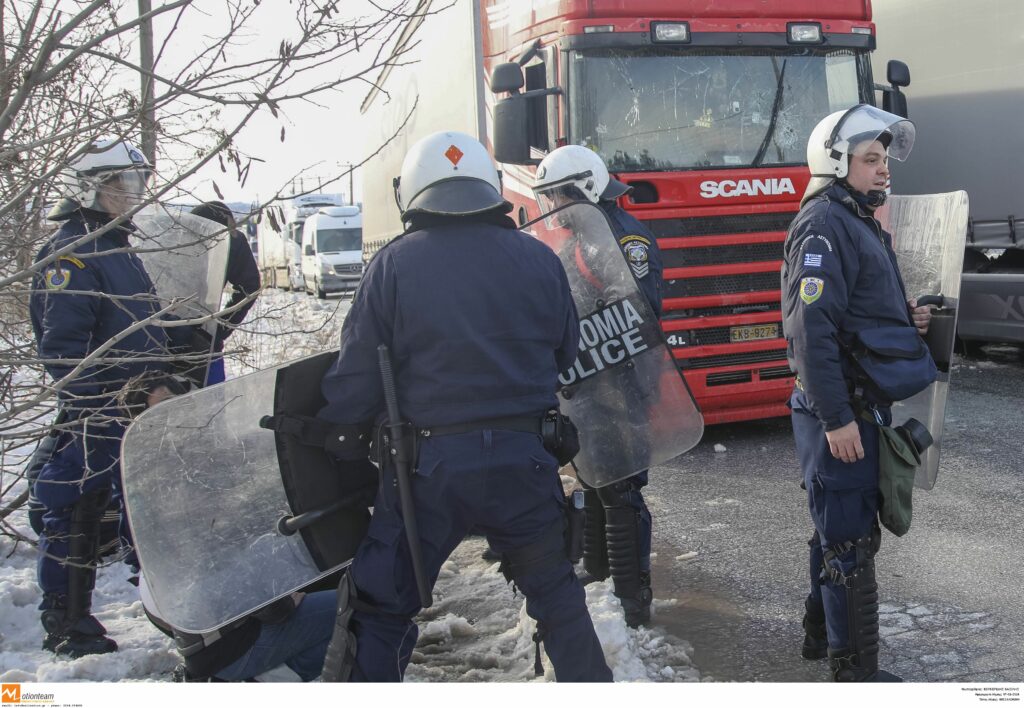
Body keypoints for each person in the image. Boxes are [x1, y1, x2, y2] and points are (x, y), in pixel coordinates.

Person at [315, 131, 611, 682]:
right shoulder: (539, 259)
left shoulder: (394, 264)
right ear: (490, 188)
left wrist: (333, 435)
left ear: (415, 193)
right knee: (558, 599)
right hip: (525, 461)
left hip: (427, 471)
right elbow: (565, 352)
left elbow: (355, 379)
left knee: (381, 609)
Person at [781, 104, 931, 682]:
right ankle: (855, 673)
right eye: (870, 160)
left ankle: (819, 638)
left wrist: (907, 318)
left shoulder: (855, 218)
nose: (883, 170)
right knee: (849, 543)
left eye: (885, 160)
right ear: (836, 161)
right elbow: (809, 329)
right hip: (841, 409)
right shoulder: (823, 223)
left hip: (857, 403)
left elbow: (857, 311)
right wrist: (837, 418)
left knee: (839, 529)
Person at [29, 137, 188, 657]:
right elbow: (64, 352)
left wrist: (167, 374)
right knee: (73, 509)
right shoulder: (72, 255)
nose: (134, 193)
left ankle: (183, 610)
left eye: (137, 183)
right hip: (99, 412)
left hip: (136, 411)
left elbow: (138, 326)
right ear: (92, 187)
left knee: (146, 513)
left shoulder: (116, 244)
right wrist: (107, 402)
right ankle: (67, 625)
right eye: (124, 183)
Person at [531, 145, 662, 628]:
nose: (553, 207)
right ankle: (601, 568)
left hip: (621, 383)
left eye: (558, 196)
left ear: (582, 190)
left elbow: (639, 310)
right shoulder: (579, 242)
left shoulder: (623, 240)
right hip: (587, 382)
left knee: (622, 485)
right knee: (592, 474)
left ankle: (633, 592)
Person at [139, 575, 336, 682]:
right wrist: (288, 598)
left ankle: (269, 678)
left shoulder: (169, 544)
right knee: (353, 607)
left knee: (340, 631)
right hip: (240, 648)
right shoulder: (217, 535)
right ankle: (265, 681)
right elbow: (276, 612)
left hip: (204, 660)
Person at [189, 201, 261, 385]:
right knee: (210, 404)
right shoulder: (229, 240)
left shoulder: (173, 240)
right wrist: (220, 329)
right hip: (203, 342)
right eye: (231, 227)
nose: (233, 231)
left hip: (165, 340)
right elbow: (250, 286)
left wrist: (220, 328)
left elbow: (249, 286)